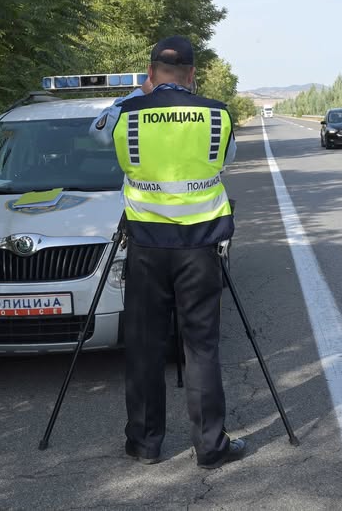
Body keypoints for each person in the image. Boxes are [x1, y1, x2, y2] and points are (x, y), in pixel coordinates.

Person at [90, 36, 245, 469]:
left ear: (150, 74)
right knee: (201, 348)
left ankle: (144, 443)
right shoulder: (217, 115)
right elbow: (227, 158)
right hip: (200, 248)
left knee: (143, 345)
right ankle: (210, 447)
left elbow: (96, 133)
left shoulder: (127, 114)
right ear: (193, 75)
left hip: (145, 248)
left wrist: (135, 96)